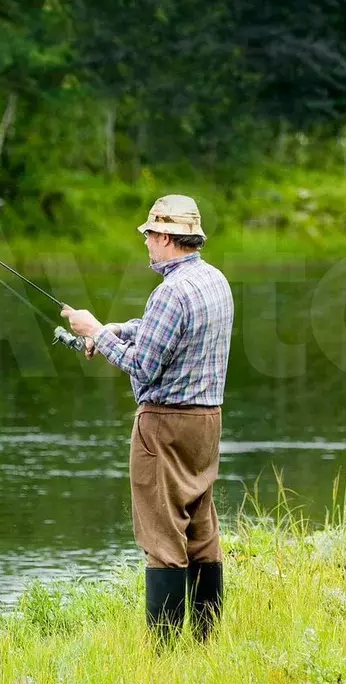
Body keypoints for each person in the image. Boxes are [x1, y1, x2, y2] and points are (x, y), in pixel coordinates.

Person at [61, 194, 234, 644]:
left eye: (150, 236)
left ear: (167, 237)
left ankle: (167, 651)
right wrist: (119, 328)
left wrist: (95, 331)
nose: (147, 245)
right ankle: (206, 639)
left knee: (161, 537)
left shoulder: (170, 291)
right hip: (206, 424)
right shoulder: (214, 280)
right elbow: (166, 332)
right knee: (201, 530)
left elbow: (143, 367)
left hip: (164, 427)